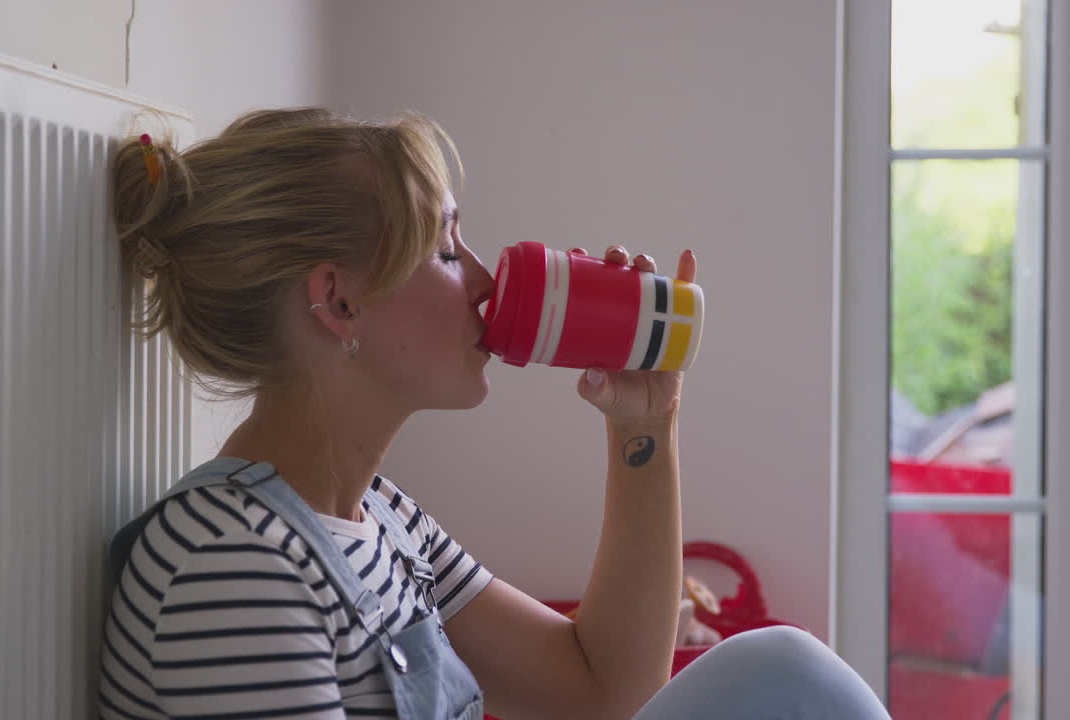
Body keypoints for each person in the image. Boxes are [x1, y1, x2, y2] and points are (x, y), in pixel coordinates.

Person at [98, 107, 891, 720]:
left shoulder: (379, 521)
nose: (484, 278)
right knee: (787, 677)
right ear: (338, 301)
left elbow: (605, 688)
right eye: (446, 251)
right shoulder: (231, 565)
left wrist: (644, 424)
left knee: (785, 673)